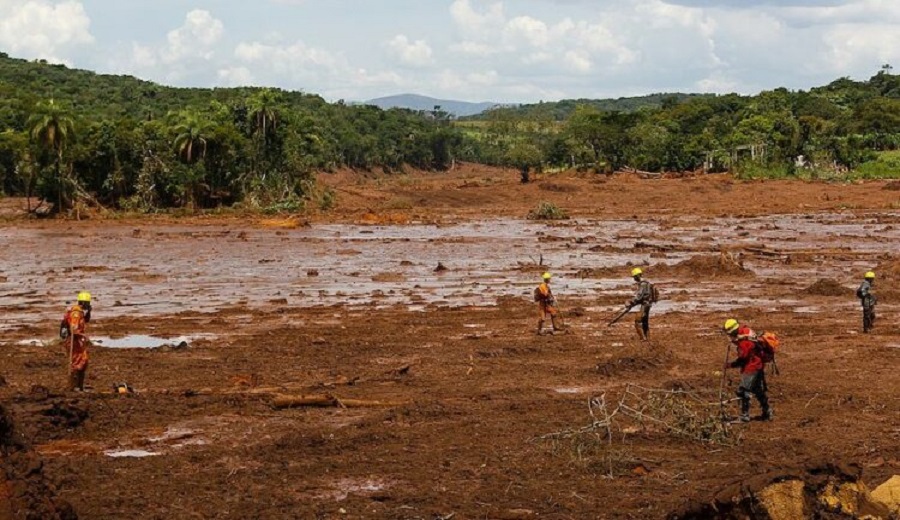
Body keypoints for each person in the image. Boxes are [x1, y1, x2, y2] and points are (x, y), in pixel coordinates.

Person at [723, 318, 772, 422]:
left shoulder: (744, 343)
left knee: (743, 390)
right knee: (757, 390)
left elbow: (743, 359)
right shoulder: (747, 332)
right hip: (758, 364)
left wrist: (730, 365)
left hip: (752, 367)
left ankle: (744, 416)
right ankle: (767, 411)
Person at [60, 291, 92, 391]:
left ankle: (79, 386)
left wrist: (89, 312)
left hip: (78, 340)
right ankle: (72, 386)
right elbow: (74, 329)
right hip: (73, 340)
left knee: (83, 360)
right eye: (87, 303)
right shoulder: (76, 314)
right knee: (76, 362)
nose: (88, 305)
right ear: (83, 303)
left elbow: (85, 321)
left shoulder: (81, 313)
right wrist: (83, 336)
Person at [628, 268, 654, 340]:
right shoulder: (647, 283)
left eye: (635, 277)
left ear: (638, 275)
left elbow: (639, 297)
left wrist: (631, 302)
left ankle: (643, 338)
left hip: (645, 305)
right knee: (645, 321)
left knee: (638, 322)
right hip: (648, 304)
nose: (634, 279)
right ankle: (648, 337)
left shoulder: (642, 284)